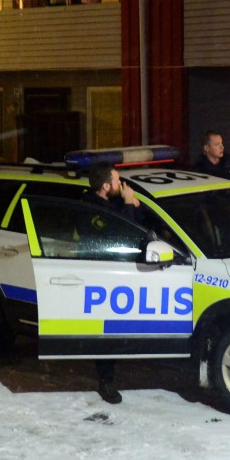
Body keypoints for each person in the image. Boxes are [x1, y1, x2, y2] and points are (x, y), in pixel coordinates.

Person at [81, 164, 145, 405]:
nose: (121, 185)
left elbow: (139, 228)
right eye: (117, 181)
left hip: (124, 274)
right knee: (106, 332)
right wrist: (129, 205)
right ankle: (105, 381)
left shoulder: (112, 203)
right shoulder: (92, 210)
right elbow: (121, 234)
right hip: (102, 277)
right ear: (105, 186)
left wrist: (135, 206)